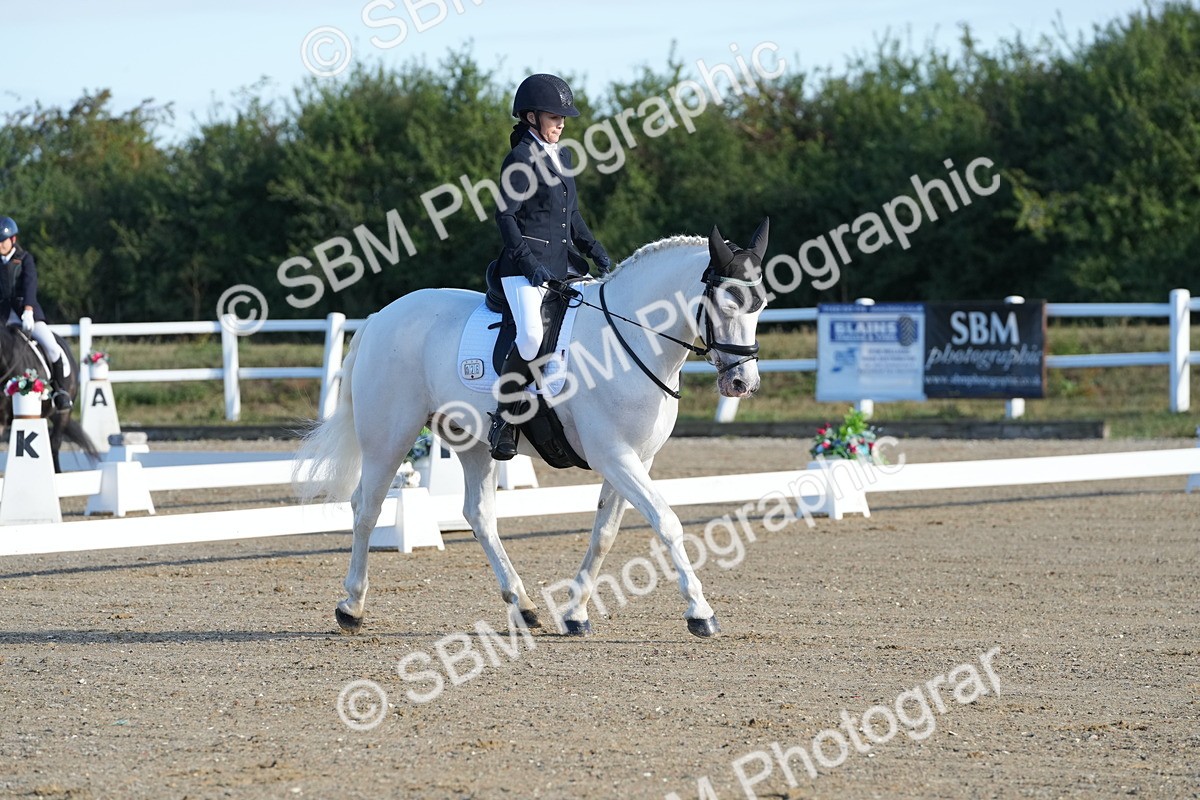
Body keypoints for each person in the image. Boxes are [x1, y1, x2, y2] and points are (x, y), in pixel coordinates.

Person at [487, 73, 611, 460]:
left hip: (562, 265)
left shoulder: (564, 155)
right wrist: (528, 264)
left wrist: (595, 248)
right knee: (530, 337)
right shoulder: (520, 158)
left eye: (563, 117)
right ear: (530, 117)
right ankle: (503, 420)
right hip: (522, 268)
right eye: (553, 116)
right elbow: (505, 216)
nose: (561, 123)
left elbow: (571, 214)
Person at [0, 216, 72, 409]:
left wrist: (29, 310)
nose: (0, 245)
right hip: (3, 317)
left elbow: (30, 286)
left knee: (52, 347)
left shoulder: (25, 259)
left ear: (13, 240)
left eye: (2, 241)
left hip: (25, 313)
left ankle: (60, 391)